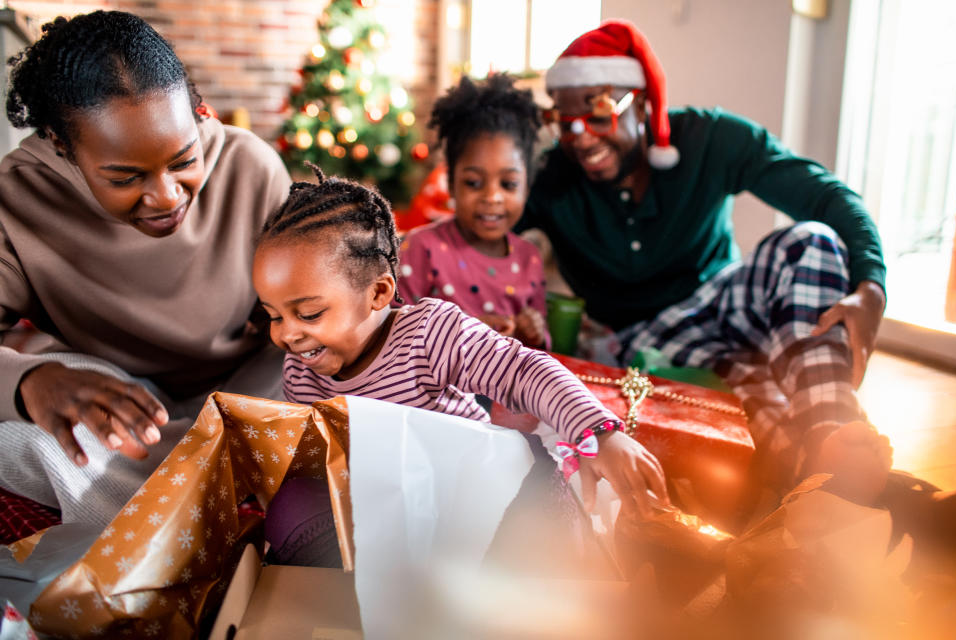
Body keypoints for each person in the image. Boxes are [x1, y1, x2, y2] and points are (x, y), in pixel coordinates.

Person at [516, 19, 892, 504]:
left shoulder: (711, 138)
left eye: (599, 115)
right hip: (641, 341)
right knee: (764, 411)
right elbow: (470, 227)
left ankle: (832, 427)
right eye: (565, 123)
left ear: (645, 102)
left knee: (810, 241)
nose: (581, 138)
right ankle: (836, 486)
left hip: (725, 299)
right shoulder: (551, 177)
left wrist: (872, 285)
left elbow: (827, 198)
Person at [0, 11, 291, 527]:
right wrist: (32, 382)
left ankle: (179, 494)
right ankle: (211, 487)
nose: (166, 196)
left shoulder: (250, 168)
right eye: (126, 177)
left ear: (197, 115)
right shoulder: (16, 197)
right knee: (16, 433)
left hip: (243, 387)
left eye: (183, 160)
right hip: (117, 396)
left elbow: (304, 316)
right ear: (62, 146)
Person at [252, 165, 668, 517]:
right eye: (273, 315)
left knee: (545, 510)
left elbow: (523, 370)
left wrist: (601, 433)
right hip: (402, 511)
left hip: (485, 494)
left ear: (378, 294)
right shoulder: (301, 371)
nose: (286, 334)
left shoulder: (429, 334)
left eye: (308, 314)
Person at [397, 73, 548, 349]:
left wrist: (533, 332)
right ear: (451, 183)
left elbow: (538, 350)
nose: (492, 197)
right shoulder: (421, 248)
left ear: (527, 187)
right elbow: (393, 335)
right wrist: (467, 330)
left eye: (508, 184)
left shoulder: (530, 259)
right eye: (473, 183)